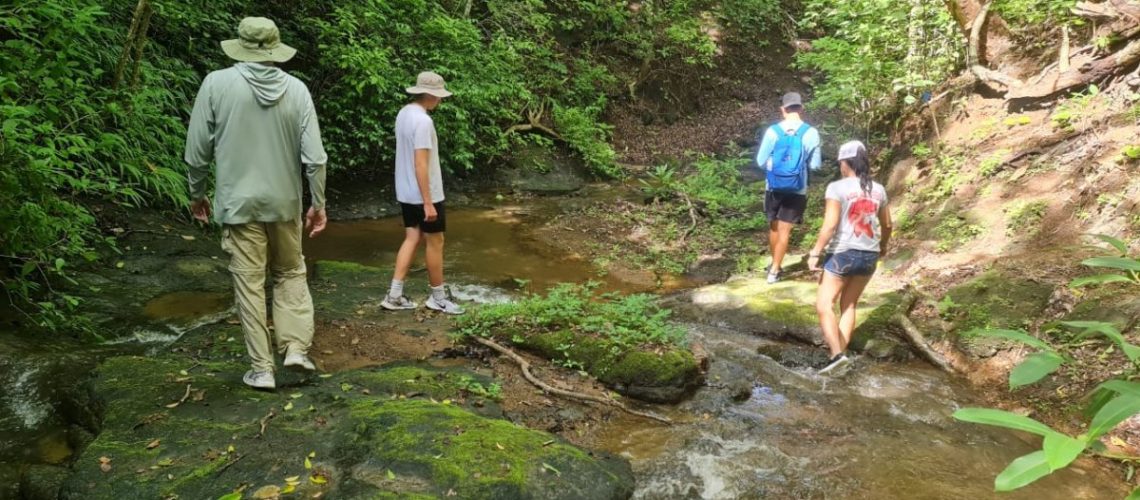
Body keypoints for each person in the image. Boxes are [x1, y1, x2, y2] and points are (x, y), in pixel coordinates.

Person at [185, 17, 328, 390]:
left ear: (240, 46)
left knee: (249, 283)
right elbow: (315, 157)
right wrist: (319, 203)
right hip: (286, 201)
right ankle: (296, 347)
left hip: (238, 202)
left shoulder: (216, 84)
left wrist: (196, 193)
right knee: (290, 272)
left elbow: (197, 150)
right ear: (275, 48)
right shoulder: (297, 90)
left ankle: (262, 369)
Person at [379, 72, 464, 315]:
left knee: (412, 237)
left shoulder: (404, 113)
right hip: (425, 194)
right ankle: (437, 297)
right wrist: (428, 202)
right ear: (430, 95)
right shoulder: (424, 122)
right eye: (439, 96)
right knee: (436, 242)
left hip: (405, 191)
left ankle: (394, 295)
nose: (441, 100)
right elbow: (421, 163)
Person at [807, 141, 892, 375]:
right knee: (849, 305)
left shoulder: (837, 187)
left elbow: (830, 225)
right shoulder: (879, 189)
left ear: (845, 163)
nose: (840, 167)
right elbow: (887, 224)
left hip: (843, 252)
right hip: (869, 254)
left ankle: (836, 354)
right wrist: (882, 246)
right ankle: (839, 360)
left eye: (840, 163)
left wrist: (815, 252)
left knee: (824, 304)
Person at [755, 92, 822, 284]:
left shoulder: (773, 131)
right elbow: (816, 166)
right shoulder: (811, 133)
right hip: (797, 188)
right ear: (801, 109)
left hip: (773, 187)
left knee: (774, 226)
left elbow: (760, 161)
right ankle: (774, 270)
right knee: (785, 230)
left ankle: (775, 264)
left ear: (783, 110)